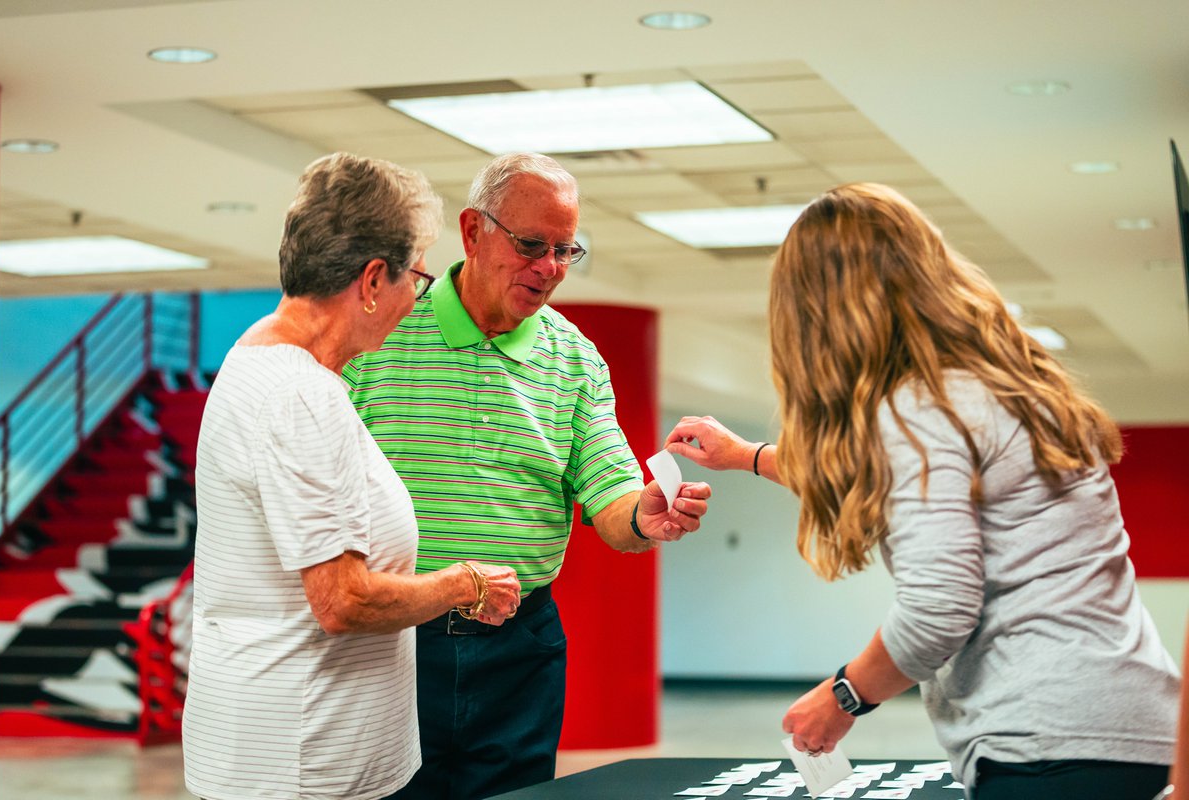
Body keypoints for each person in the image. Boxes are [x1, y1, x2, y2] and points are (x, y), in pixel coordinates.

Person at [664, 182, 1180, 799]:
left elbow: (940, 608)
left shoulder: (920, 407)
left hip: (1046, 741)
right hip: (1130, 724)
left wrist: (843, 695)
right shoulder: (1004, 388)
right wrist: (747, 456)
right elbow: (872, 473)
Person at [344, 152, 712, 800]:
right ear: (472, 231)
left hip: (519, 650)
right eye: (531, 245)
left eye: (565, 250)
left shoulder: (575, 358)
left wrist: (644, 514)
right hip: (392, 645)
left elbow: (613, 496)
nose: (549, 268)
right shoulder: (384, 331)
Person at [182, 152, 521, 800]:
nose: (413, 300)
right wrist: (462, 584)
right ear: (371, 280)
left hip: (287, 751)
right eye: (415, 279)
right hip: (300, 762)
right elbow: (342, 601)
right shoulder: (298, 394)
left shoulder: (265, 357)